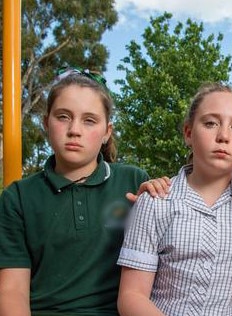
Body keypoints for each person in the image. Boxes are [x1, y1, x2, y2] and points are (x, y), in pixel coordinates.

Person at [116, 82, 232, 315]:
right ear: (188, 133)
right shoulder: (156, 201)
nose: (223, 136)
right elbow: (131, 297)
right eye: (210, 123)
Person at [0, 67, 170, 315]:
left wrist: (158, 200)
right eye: (63, 117)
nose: (75, 130)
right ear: (46, 123)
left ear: (106, 132)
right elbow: (12, 290)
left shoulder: (133, 181)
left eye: (89, 120)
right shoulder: (18, 197)